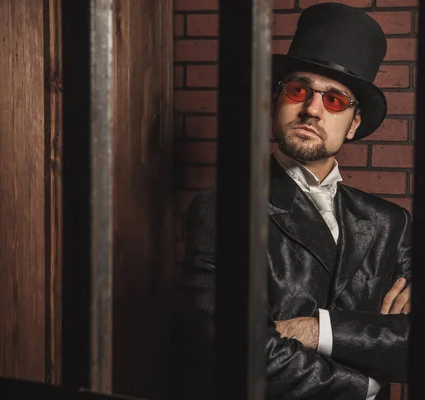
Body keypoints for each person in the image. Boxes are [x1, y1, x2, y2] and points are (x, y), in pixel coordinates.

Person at [172, 3, 412, 400]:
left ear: (353, 124)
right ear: (275, 101)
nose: (312, 109)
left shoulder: (392, 223)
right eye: (298, 90)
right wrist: (363, 385)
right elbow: (239, 352)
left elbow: (420, 344)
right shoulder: (224, 208)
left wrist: (315, 330)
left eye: (334, 100)